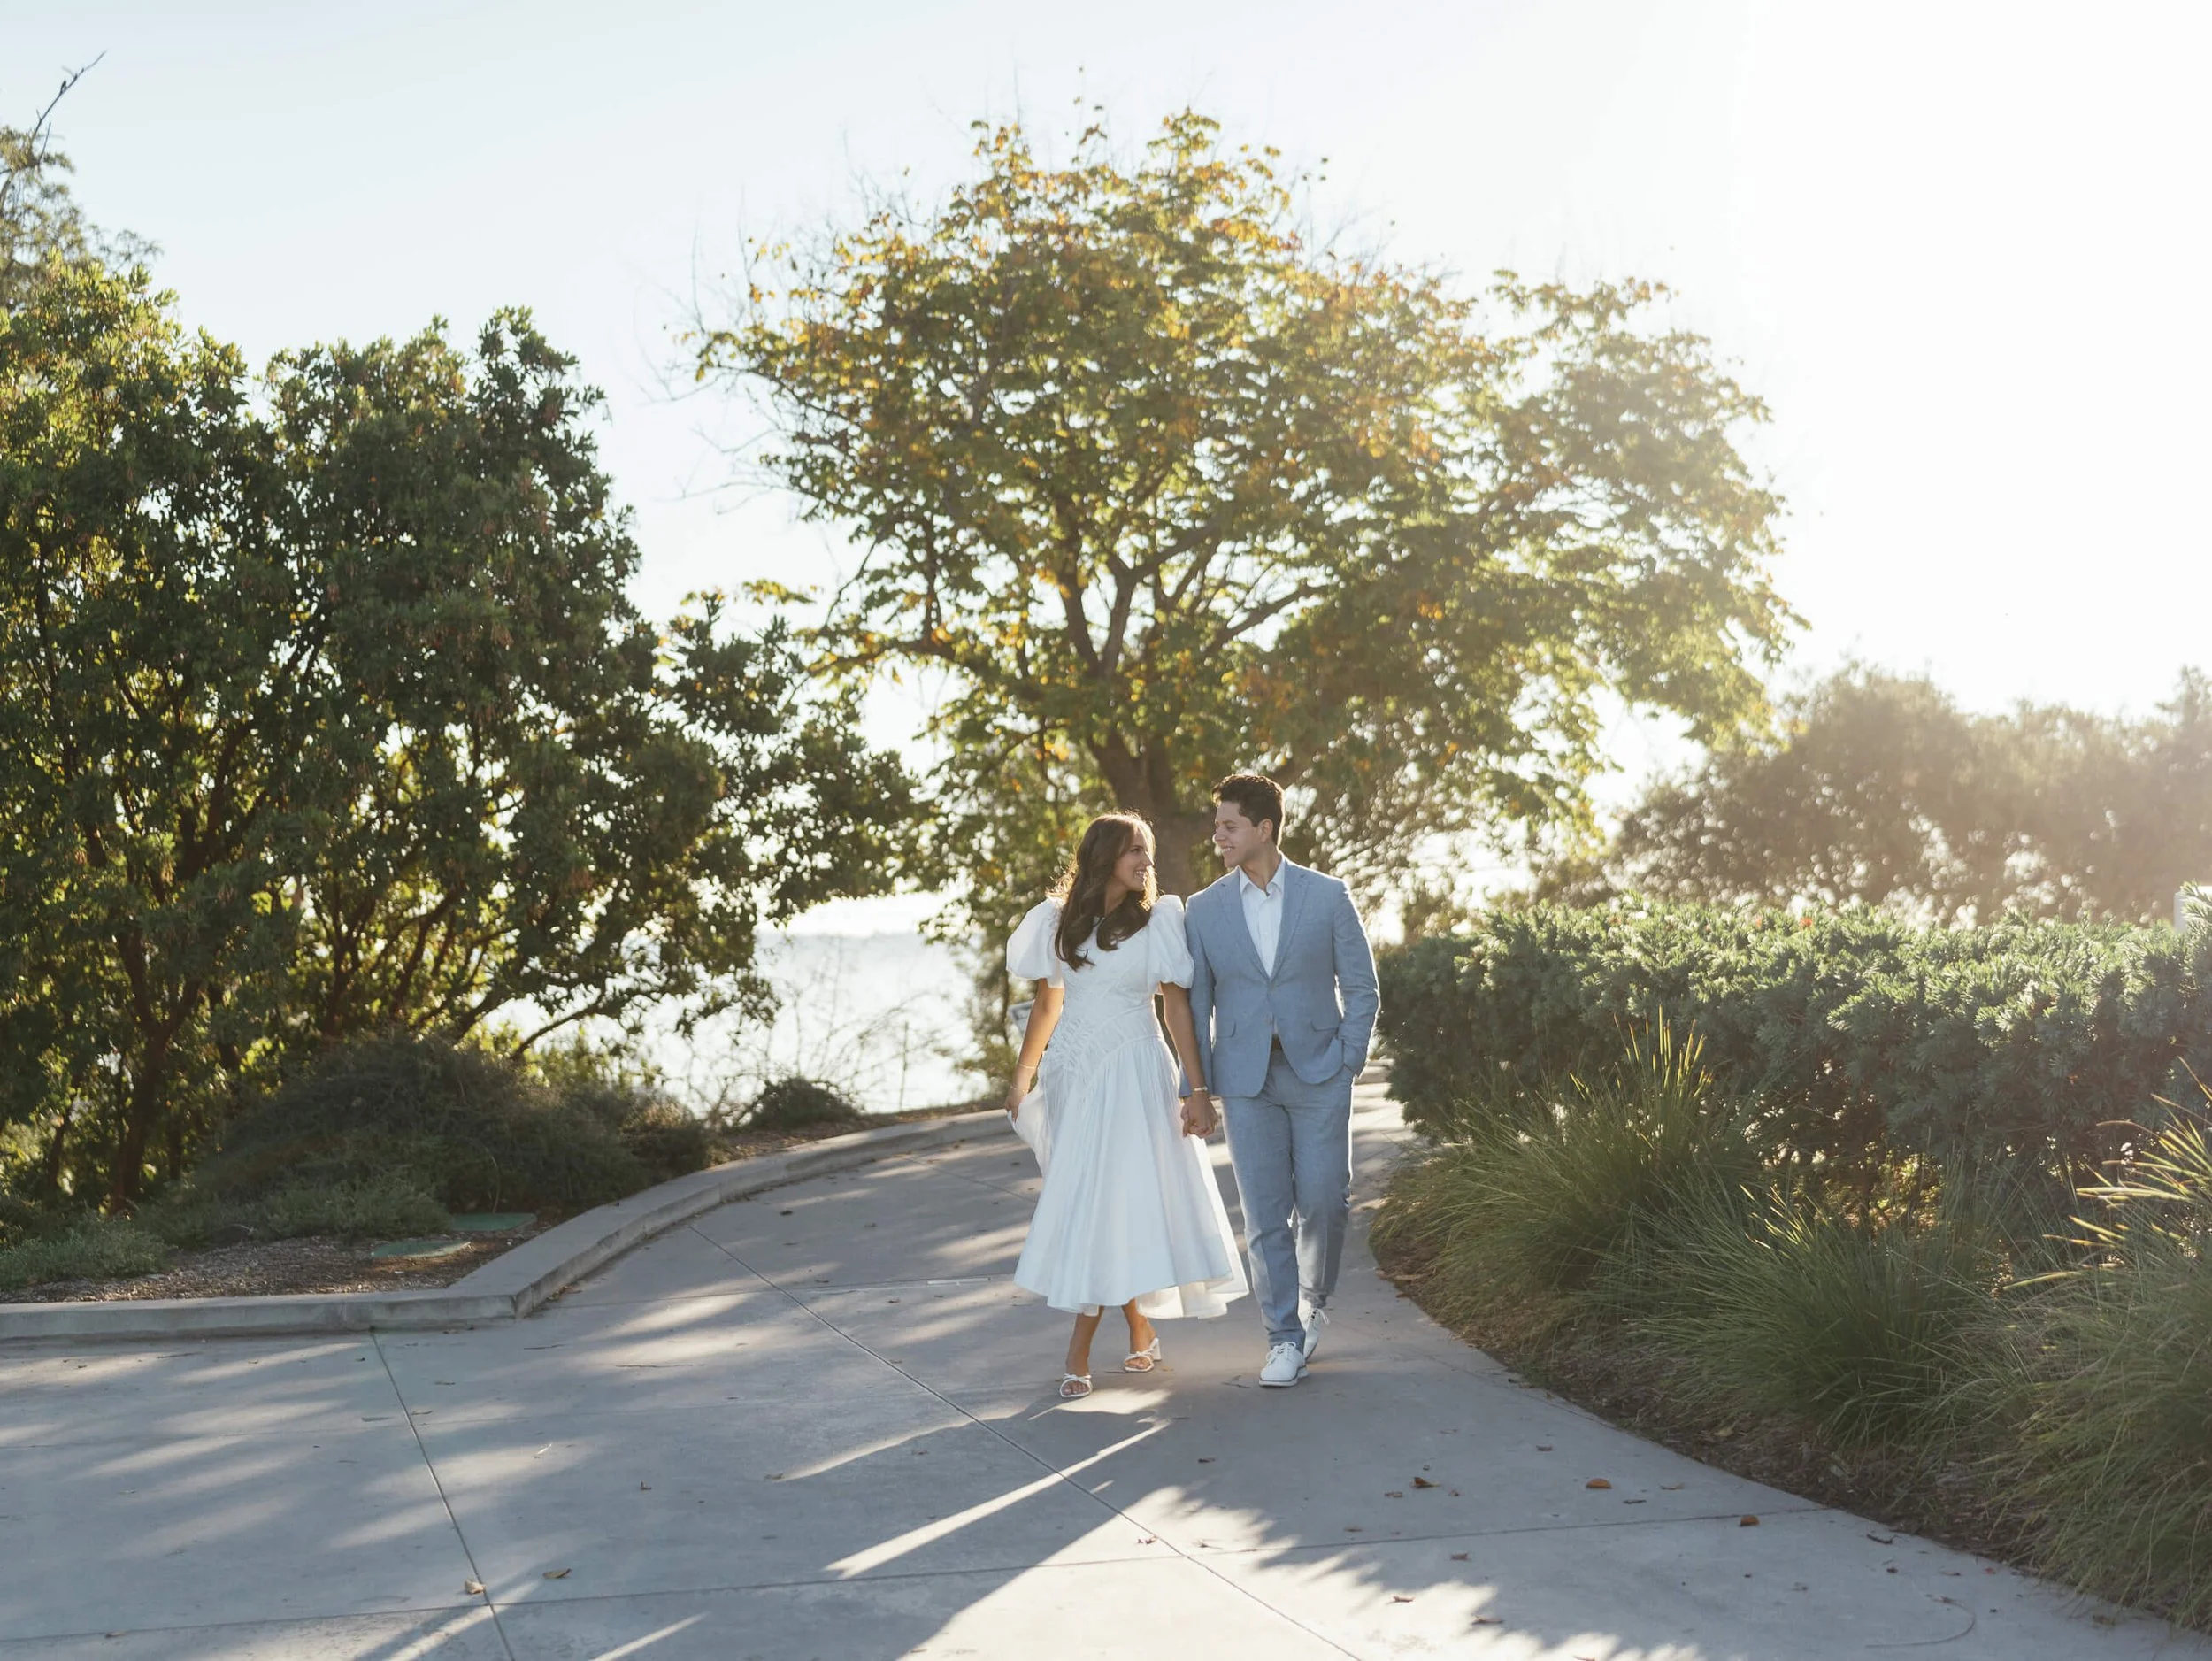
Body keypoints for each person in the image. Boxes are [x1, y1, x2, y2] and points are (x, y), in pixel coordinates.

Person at [1004, 812, 1247, 1399]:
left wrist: (1196, 1087)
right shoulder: (1058, 923)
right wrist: (1023, 1077)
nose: (1147, 861)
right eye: (1135, 850)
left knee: (1109, 1200)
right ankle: (1140, 1329)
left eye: (1150, 850)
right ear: (1104, 855)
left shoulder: (1159, 921)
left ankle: (1079, 1348)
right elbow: (1046, 1005)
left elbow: (1177, 1008)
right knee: (1102, 1200)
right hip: (1073, 1073)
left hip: (1135, 1071)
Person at [1185, 773, 1379, 1388]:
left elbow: (1363, 985)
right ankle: (1282, 1338)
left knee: (1324, 1199)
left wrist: (1348, 1057)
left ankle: (1312, 1302)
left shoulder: (1327, 895)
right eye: (1218, 825)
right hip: (1245, 1080)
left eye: (1229, 825)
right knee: (1266, 1214)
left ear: (1264, 828)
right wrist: (1198, 1085)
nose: (1218, 835)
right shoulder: (1204, 908)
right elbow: (1196, 1005)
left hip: (1320, 1071)